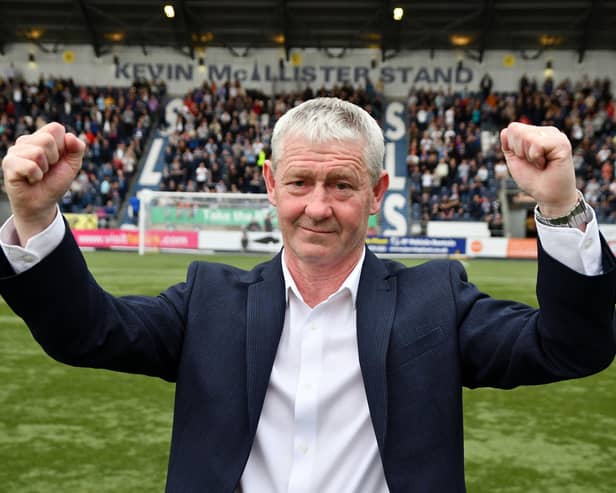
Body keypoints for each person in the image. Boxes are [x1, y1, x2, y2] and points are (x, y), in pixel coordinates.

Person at [1, 98, 615, 493]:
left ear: (376, 192)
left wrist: (559, 207)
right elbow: (87, 333)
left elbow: (570, 349)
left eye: (341, 184)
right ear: (271, 184)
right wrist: (34, 214)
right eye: (300, 181)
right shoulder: (208, 300)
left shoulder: (437, 300)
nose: (317, 207)